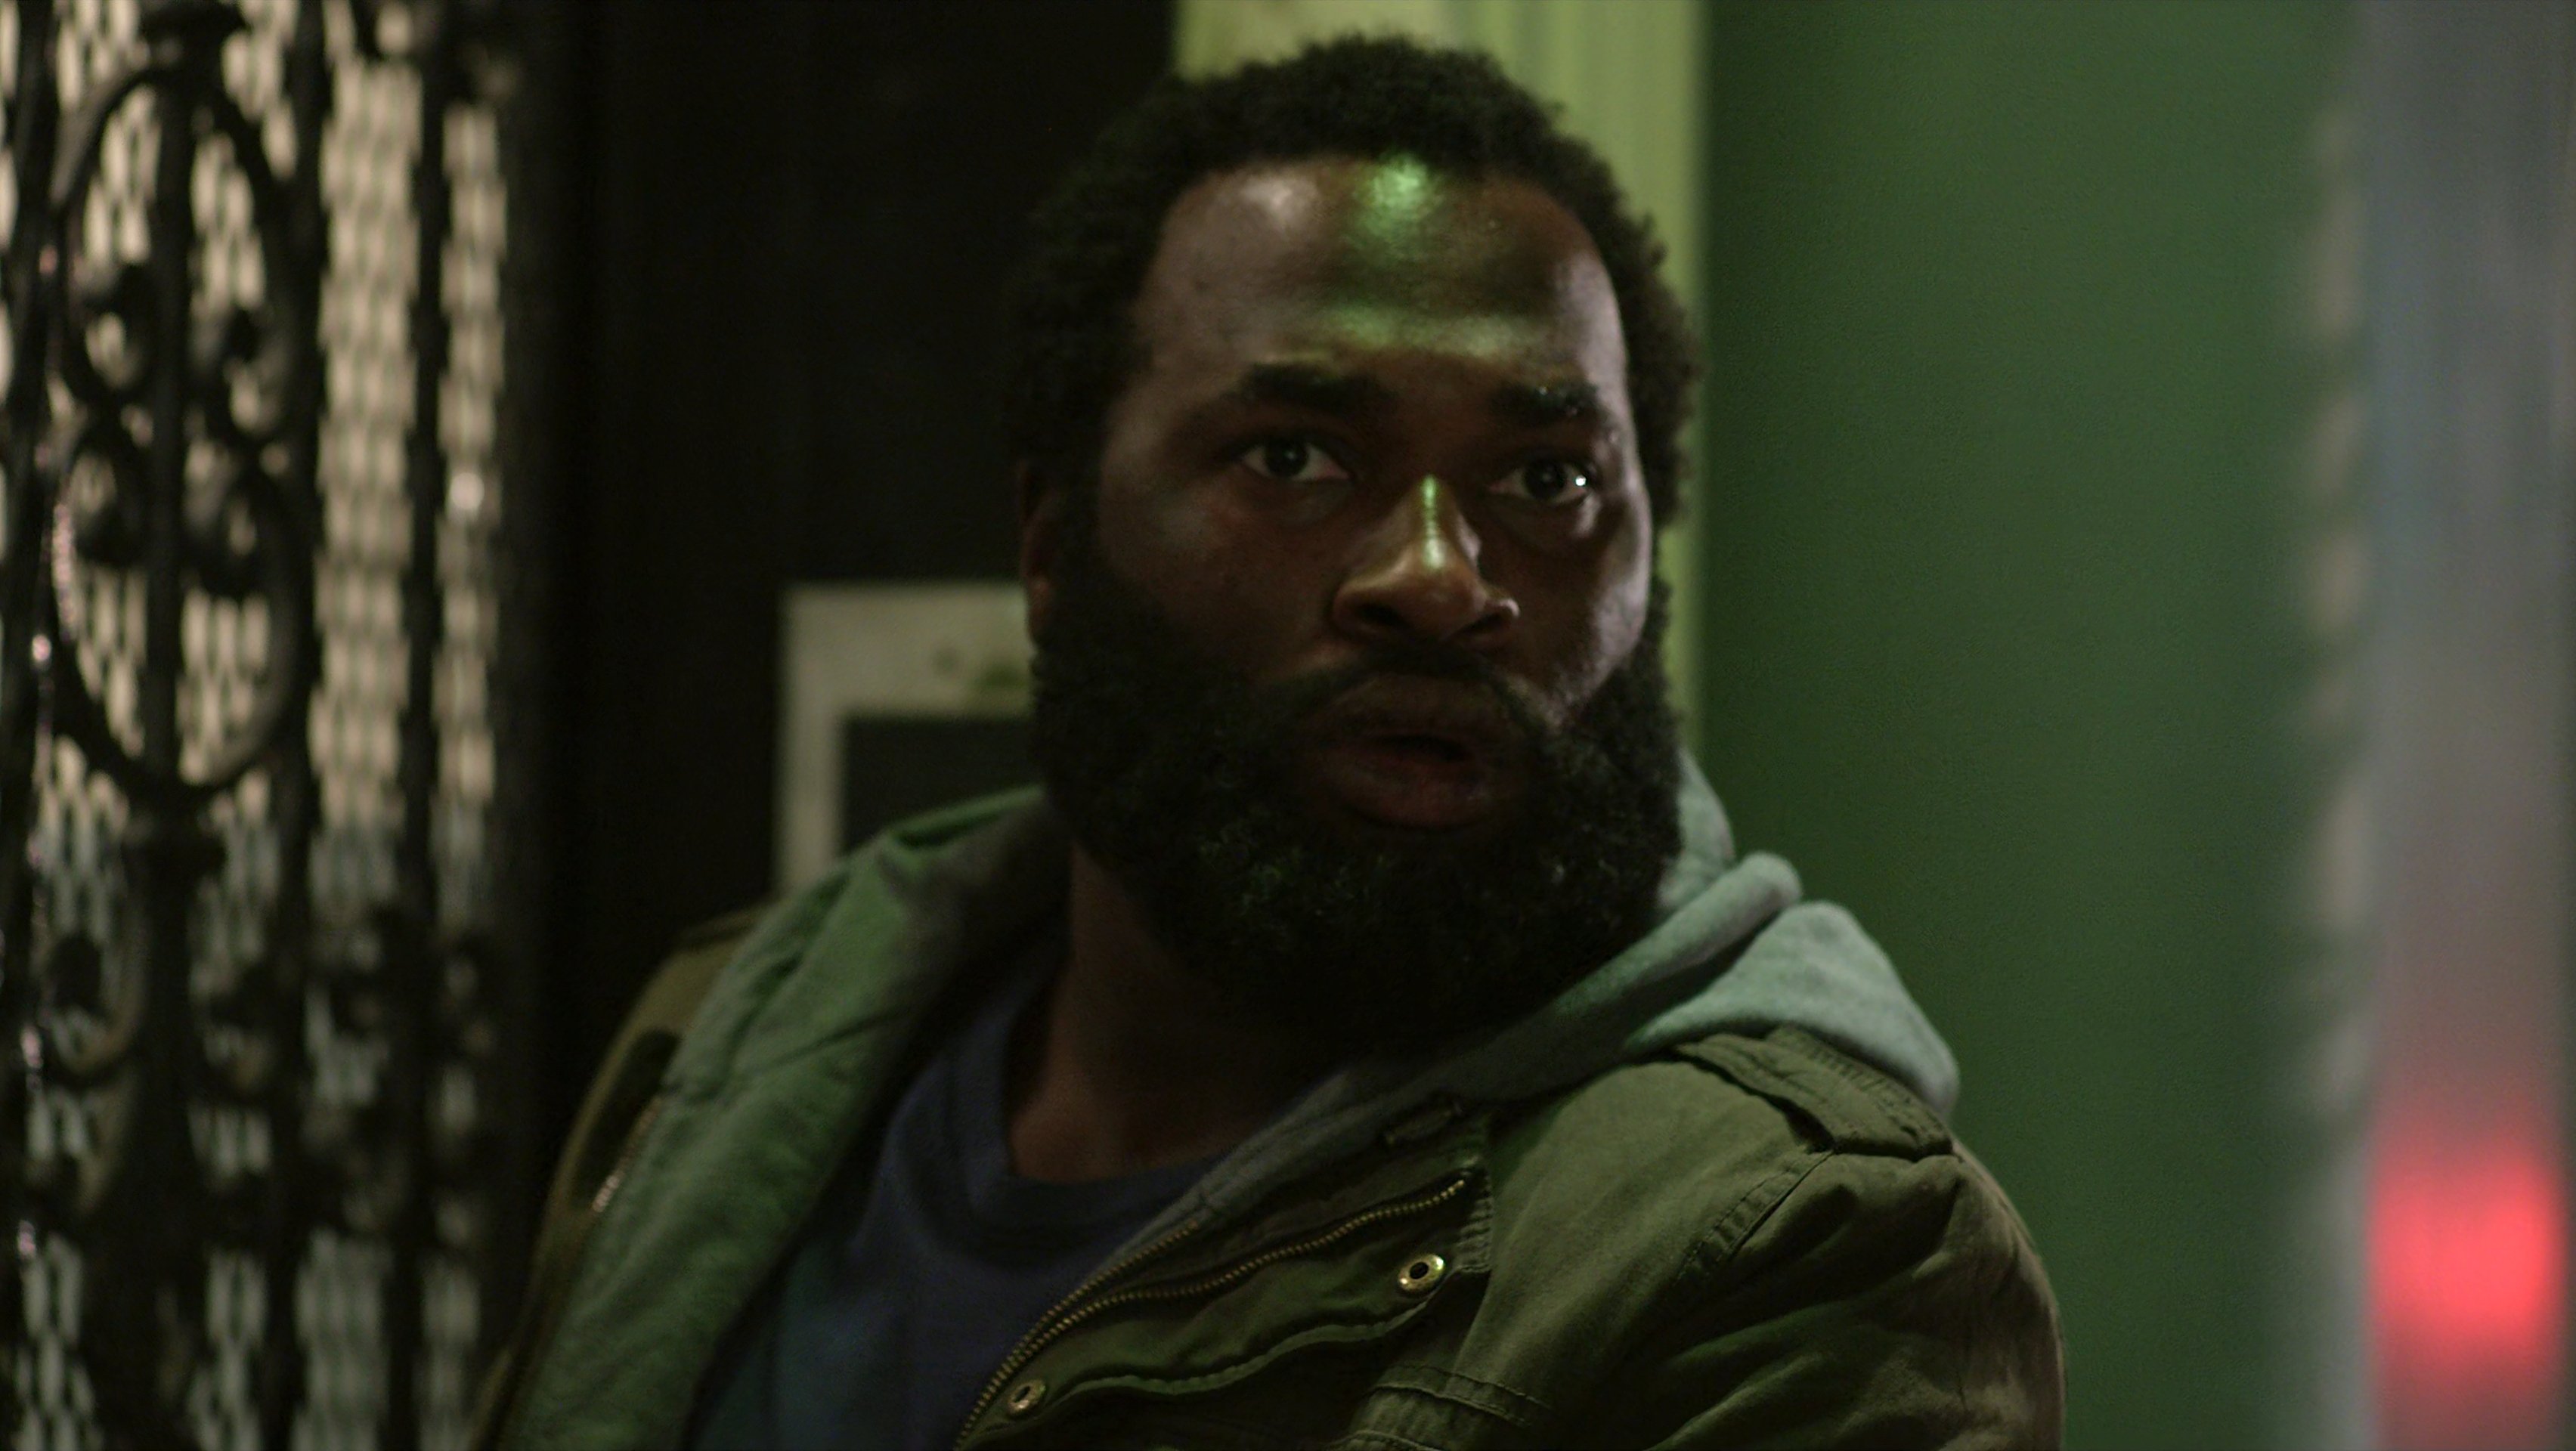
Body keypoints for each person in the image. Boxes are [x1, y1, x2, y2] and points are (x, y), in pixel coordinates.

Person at [476, 37, 2062, 1451]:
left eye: (1548, 481)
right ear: (1051, 542)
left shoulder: (1795, 1245)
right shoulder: (740, 1040)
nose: (1438, 579)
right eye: (1295, 457)